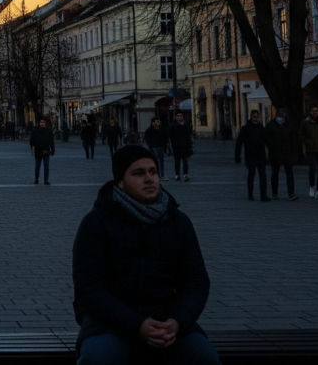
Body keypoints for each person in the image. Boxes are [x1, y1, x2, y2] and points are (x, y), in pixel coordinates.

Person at [72, 144, 219, 364]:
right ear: (120, 182)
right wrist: (137, 324)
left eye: (153, 171)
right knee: (99, 358)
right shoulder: (96, 223)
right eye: (138, 173)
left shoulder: (178, 222)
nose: (149, 179)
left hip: (168, 321)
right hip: (109, 324)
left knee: (204, 357)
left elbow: (196, 282)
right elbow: (89, 289)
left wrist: (177, 321)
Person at [234, 110, 269, 201]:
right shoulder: (245, 129)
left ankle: (263, 195)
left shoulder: (262, 128)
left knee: (263, 176)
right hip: (250, 155)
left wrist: (271, 153)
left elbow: (267, 142)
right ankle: (250, 194)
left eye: (257, 117)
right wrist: (237, 155)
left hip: (261, 155)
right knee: (251, 175)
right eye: (254, 117)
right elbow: (239, 142)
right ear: (251, 117)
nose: (256, 119)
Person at [264, 108, 297, 200]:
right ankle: (275, 193)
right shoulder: (271, 125)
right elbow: (266, 138)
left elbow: (293, 139)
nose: (282, 116)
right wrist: (271, 146)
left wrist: (293, 151)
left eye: (284, 114)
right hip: (275, 153)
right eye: (281, 114)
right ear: (277, 115)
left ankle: (291, 193)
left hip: (287, 152)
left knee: (289, 173)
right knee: (275, 173)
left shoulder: (288, 124)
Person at [300, 105, 318, 199]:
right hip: (311, 149)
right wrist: (307, 142)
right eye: (313, 111)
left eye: (317, 111)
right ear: (310, 112)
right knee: (312, 168)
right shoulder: (305, 122)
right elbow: (301, 134)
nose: (315, 112)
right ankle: (312, 186)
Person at [29, 117, 55, 185]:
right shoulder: (35, 131)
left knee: (46, 166)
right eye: (41, 122)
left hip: (46, 150)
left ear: (45, 123)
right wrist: (32, 147)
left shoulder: (49, 131)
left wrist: (53, 150)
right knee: (37, 166)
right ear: (39, 123)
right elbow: (31, 140)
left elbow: (51, 141)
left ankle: (46, 180)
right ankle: (36, 179)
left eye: (43, 122)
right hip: (38, 150)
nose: (42, 124)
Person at [168, 112, 193, 181]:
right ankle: (177, 175)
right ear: (176, 117)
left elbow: (188, 136)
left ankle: (185, 174)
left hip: (185, 146)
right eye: (178, 116)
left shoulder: (186, 125)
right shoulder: (173, 126)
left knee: (185, 161)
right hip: (176, 147)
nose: (179, 117)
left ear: (182, 117)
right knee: (177, 161)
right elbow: (170, 136)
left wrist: (190, 146)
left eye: (181, 116)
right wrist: (171, 146)